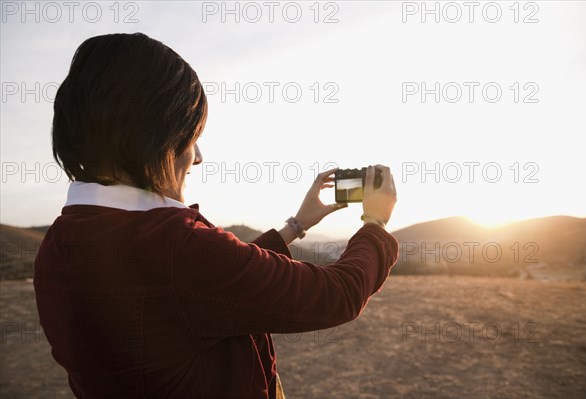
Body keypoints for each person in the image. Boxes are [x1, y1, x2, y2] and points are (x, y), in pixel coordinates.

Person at [34, 32, 399, 399]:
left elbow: (202, 289)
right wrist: (376, 222)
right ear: (156, 137)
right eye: (192, 136)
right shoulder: (175, 247)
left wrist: (296, 226)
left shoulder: (60, 242)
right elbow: (335, 296)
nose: (198, 156)